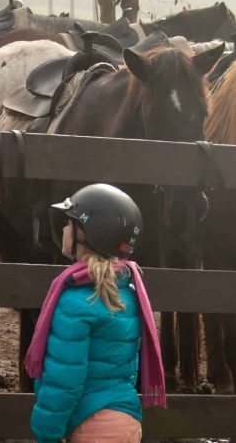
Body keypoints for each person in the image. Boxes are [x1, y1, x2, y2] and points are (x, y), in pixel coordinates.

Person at [26, 183, 166, 443]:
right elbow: (126, 367)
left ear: (86, 234)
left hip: (91, 426)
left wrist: (47, 433)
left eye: (70, 223)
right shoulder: (127, 291)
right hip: (127, 420)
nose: (64, 229)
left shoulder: (76, 300)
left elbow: (64, 378)